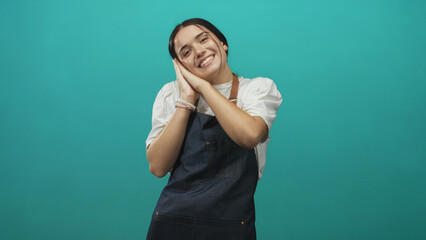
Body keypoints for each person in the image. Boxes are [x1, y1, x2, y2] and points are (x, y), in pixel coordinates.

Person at [145, 18, 282, 240]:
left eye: (203, 39)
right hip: (172, 226)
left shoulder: (256, 89)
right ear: (179, 65)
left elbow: (249, 135)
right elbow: (158, 166)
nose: (198, 51)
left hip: (230, 229)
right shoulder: (171, 95)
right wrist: (187, 99)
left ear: (222, 42)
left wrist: (203, 87)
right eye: (186, 52)